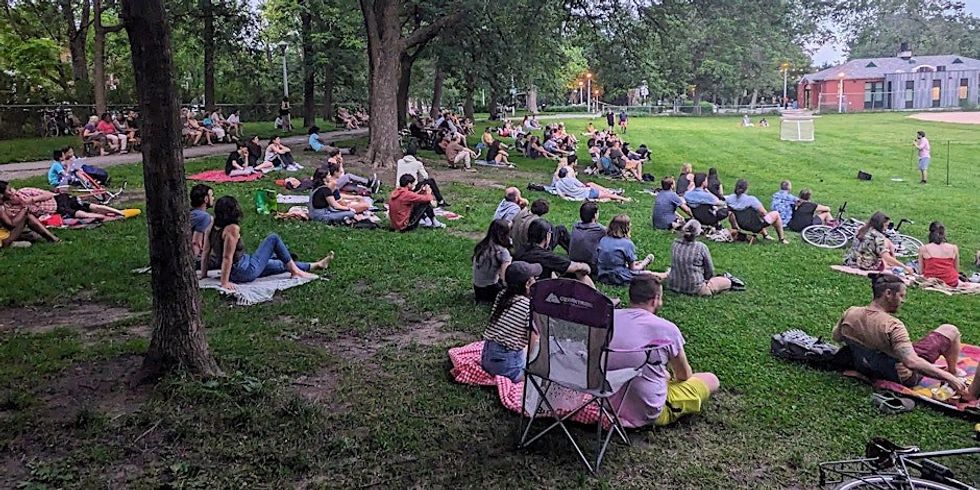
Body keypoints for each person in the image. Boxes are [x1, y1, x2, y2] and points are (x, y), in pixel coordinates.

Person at [832, 273, 978, 400]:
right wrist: (949, 378)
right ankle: (953, 370)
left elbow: (836, 337)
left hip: (864, 366)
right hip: (901, 376)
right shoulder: (892, 325)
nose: (903, 301)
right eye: (901, 296)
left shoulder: (851, 312)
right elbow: (912, 363)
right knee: (950, 330)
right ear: (888, 294)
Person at [607, 275, 720, 428]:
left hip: (606, 401)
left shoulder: (609, 319)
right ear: (656, 299)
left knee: (662, 375)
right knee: (711, 379)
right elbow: (683, 375)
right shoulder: (667, 329)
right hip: (647, 411)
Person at [201, 196, 330, 289]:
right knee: (273, 238)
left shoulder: (212, 225)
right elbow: (227, 258)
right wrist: (224, 282)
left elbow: (206, 252)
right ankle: (296, 272)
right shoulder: (232, 229)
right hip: (243, 270)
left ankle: (315, 265)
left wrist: (204, 274)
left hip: (243, 266)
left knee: (280, 264)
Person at [480, 261, 542, 382]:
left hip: (487, 357)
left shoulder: (501, 295)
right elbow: (532, 339)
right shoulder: (529, 306)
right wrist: (531, 363)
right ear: (528, 284)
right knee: (535, 377)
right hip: (506, 364)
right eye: (534, 278)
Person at [514, 219, 594, 287]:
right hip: (540, 292)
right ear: (548, 236)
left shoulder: (521, 250)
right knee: (579, 273)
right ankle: (597, 299)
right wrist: (587, 267)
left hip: (523, 287)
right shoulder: (544, 256)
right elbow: (576, 267)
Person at [667, 220, 733, 296]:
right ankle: (728, 280)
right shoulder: (701, 247)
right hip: (695, 288)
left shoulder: (675, 244)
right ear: (698, 233)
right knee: (727, 282)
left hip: (674, 285)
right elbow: (710, 270)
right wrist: (707, 279)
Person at [596, 214, 658, 285]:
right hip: (617, 277)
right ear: (626, 228)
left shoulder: (603, 239)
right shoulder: (627, 243)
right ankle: (665, 275)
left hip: (601, 275)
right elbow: (633, 268)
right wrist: (645, 262)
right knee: (648, 274)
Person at [844, 211, 913, 273]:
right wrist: (905, 267)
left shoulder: (862, 229)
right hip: (865, 264)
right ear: (880, 224)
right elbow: (886, 257)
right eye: (886, 225)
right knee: (885, 248)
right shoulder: (878, 236)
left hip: (851, 260)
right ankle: (891, 266)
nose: (886, 228)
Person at [725, 179, 788, 244]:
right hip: (755, 226)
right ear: (746, 189)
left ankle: (765, 235)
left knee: (757, 216)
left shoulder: (729, 198)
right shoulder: (751, 199)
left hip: (741, 225)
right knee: (775, 214)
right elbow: (764, 213)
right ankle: (782, 239)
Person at [0, 181, 59, 245]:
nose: (11, 192)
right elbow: (11, 224)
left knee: (28, 225)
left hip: (5, 234)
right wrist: (24, 209)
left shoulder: (4, 205)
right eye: (9, 190)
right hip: (4, 239)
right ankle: (54, 239)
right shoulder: (1, 208)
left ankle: (48, 236)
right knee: (27, 217)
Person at [472, 219, 513, 303]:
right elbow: (504, 277)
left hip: (477, 288)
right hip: (490, 290)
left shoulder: (482, 245)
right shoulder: (502, 252)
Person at [917, 222, 961, 287]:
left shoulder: (923, 249)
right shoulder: (954, 248)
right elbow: (956, 270)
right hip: (951, 281)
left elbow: (921, 271)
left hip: (931, 281)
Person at [554, 167, 631, 202]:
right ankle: (623, 198)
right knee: (607, 194)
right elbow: (582, 186)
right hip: (589, 192)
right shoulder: (571, 179)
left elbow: (561, 195)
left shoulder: (558, 184)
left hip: (583, 194)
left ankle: (613, 193)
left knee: (592, 184)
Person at [568, 202, 606, 273]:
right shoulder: (600, 230)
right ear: (595, 215)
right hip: (590, 265)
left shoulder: (575, 226)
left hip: (572, 260)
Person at [190, 184, 215, 268]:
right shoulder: (204, 217)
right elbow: (196, 243)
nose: (213, 198)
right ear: (206, 199)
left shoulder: (191, 213)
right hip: (194, 260)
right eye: (212, 196)